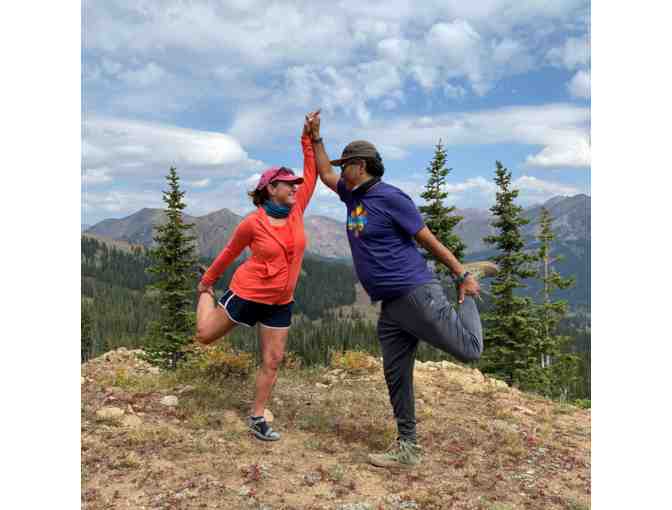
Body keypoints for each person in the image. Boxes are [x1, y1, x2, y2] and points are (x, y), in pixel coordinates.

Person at [307, 112, 497, 468]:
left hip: (416, 293)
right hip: (392, 306)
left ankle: (470, 292)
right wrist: (317, 138)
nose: (341, 171)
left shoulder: (392, 199)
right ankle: (407, 447)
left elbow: (427, 239)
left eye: (346, 165)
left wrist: (460, 275)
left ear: (359, 166)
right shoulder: (352, 195)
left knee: (469, 350)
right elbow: (325, 174)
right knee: (396, 375)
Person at [194, 111, 319, 441]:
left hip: (280, 302)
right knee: (205, 335)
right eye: (288, 185)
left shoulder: (296, 211)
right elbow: (229, 254)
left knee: (273, 360)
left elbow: (312, 173)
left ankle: (257, 417)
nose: (295, 188)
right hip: (247, 294)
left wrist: (308, 137)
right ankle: (204, 296)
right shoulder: (252, 223)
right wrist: (208, 282)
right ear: (270, 189)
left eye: (295, 185)